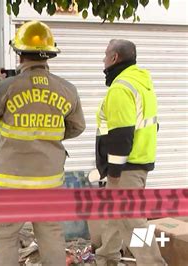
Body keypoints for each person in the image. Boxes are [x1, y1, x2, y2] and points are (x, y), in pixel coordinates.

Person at [0, 20, 85, 266]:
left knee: (4, 237)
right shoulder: (67, 90)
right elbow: (78, 126)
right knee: (52, 236)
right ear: (49, 56)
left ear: (19, 54)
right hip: (48, 182)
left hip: (9, 182)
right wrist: (48, 134)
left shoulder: (7, 86)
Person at [95, 39, 165, 265]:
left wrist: (114, 170)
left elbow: (121, 134)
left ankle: (153, 263)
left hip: (125, 167)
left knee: (133, 221)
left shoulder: (120, 87)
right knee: (114, 216)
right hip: (138, 162)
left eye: (105, 55)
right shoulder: (141, 83)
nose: (103, 61)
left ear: (114, 58)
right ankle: (106, 257)